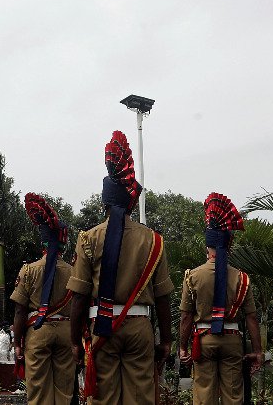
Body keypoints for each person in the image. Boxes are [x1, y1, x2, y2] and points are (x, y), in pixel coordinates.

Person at [69, 131, 173, 405]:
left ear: (104, 201)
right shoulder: (154, 241)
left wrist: (74, 341)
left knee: (102, 397)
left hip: (102, 327)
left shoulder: (89, 238)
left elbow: (79, 296)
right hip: (140, 326)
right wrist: (166, 341)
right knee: (141, 397)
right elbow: (163, 297)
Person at [178, 193, 263, 405]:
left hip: (203, 340)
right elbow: (251, 318)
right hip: (232, 340)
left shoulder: (193, 276)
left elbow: (186, 317)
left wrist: (182, 347)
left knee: (204, 395)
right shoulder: (241, 278)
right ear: (228, 244)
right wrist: (257, 351)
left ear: (207, 246)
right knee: (234, 396)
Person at [11, 193, 77, 405]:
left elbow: (20, 310)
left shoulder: (29, 270)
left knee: (39, 394)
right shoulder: (74, 271)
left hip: (37, 332)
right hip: (66, 332)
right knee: (64, 393)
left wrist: (17, 343)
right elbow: (79, 307)